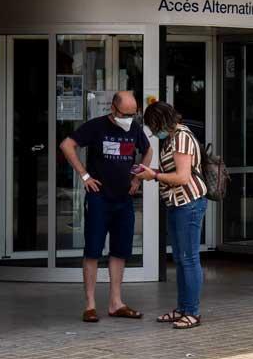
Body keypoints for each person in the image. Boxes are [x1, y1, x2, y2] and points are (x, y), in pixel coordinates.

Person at [60, 91, 153, 323]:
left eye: (134, 114)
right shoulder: (96, 127)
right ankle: (90, 305)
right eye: (125, 114)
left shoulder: (133, 128)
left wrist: (137, 178)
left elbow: (148, 149)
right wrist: (84, 176)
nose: (129, 119)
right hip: (99, 198)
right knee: (93, 250)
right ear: (113, 109)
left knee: (120, 251)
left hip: (124, 199)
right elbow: (67, 145)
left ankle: (116, 302)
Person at [137, 101, 208, 330]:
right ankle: (183, 308)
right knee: (181, 260)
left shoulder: (182, 138)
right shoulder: (174, 137)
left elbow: (182, 177)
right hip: (179, 204)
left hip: (189, 203)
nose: (152, 131)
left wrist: (154, 176)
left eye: (152, 125)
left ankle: (192, 312)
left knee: (189, 259)